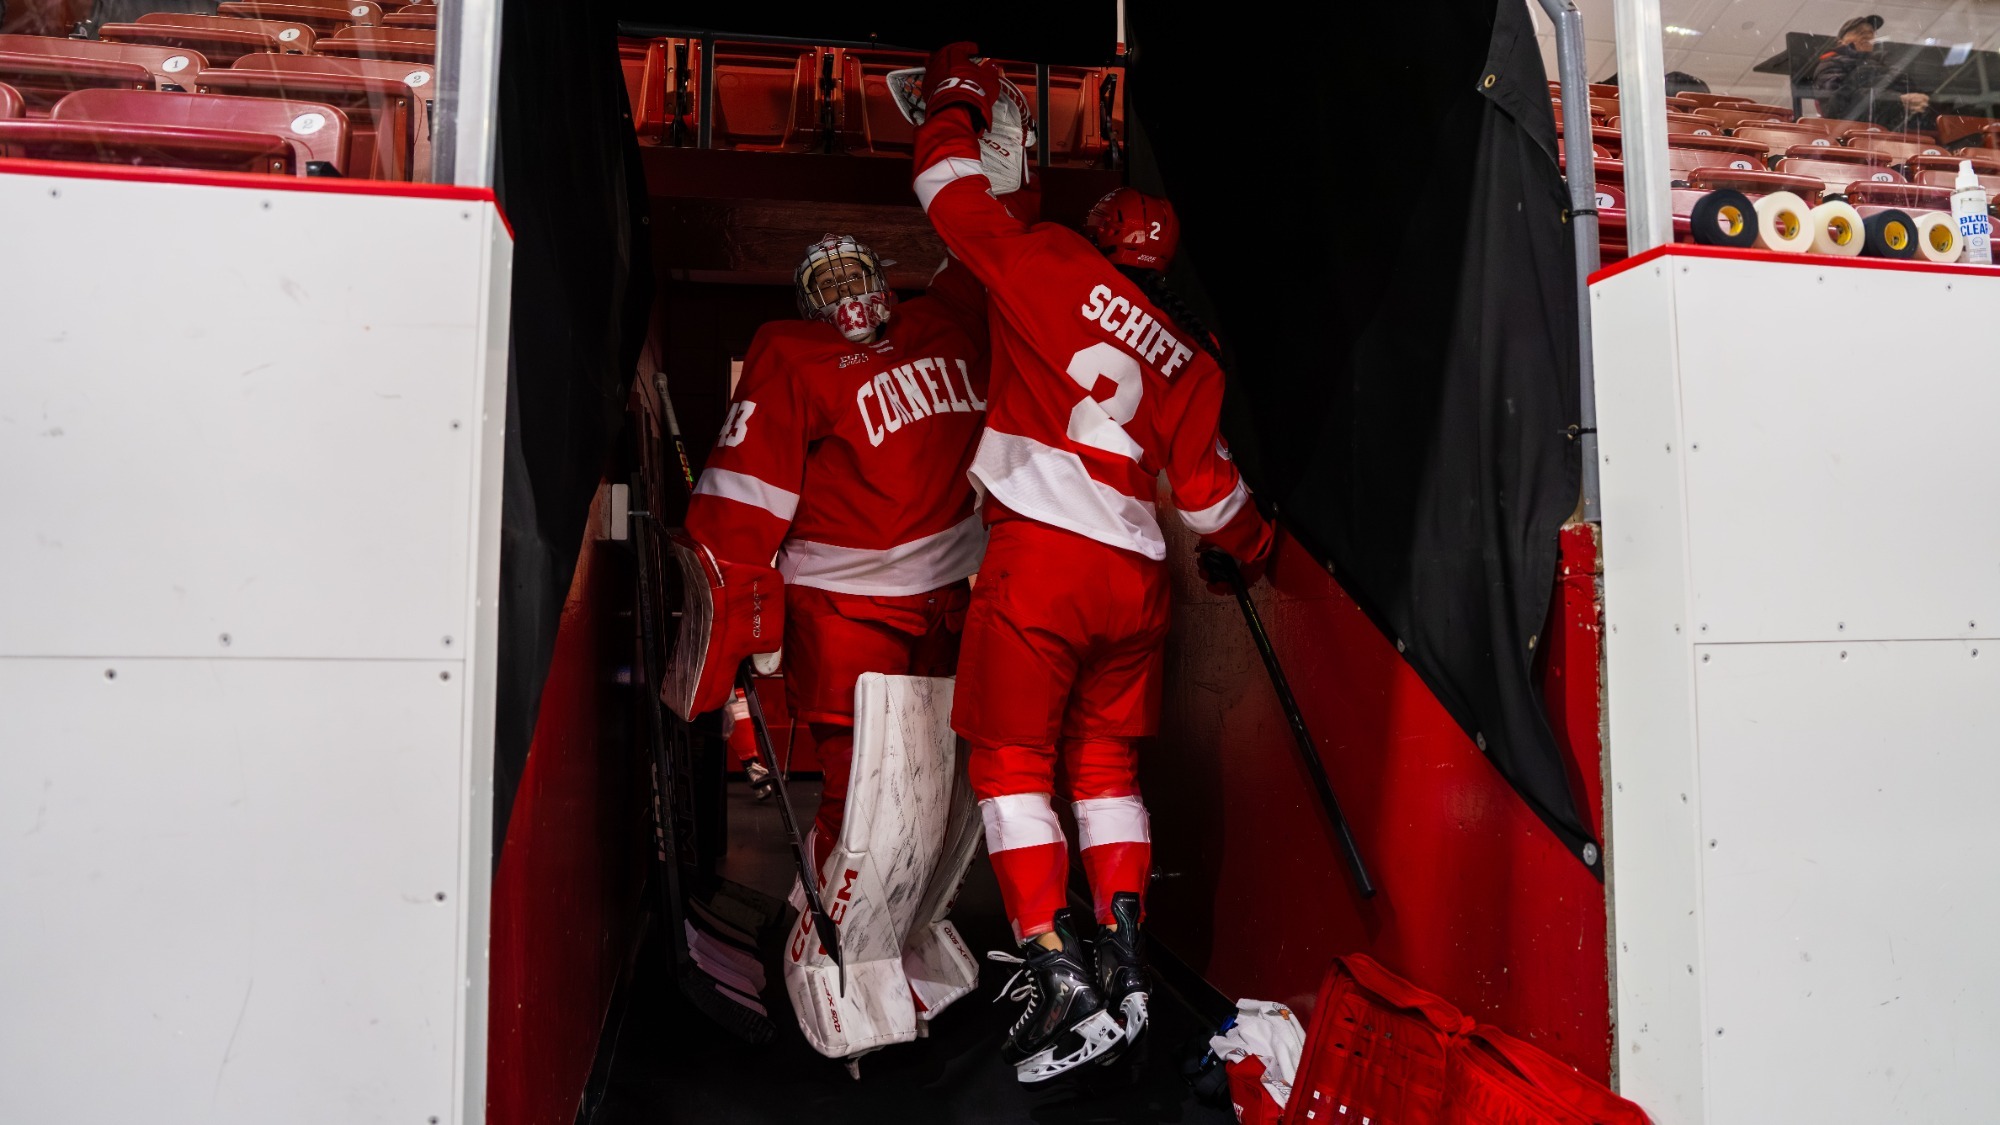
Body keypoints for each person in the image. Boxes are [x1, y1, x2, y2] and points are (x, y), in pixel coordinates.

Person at [911, 43, 1275, 1083]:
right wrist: (1244, 557)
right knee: (1106, 769)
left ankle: (1051, 962)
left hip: (1041, 564)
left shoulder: (1044, 261)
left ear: (1102, 233)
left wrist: (956, 101)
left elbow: (944, 188)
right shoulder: (1192, 353)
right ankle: (1121, 959)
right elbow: (1210, 498)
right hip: (1137, 580)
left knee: (1010, 762)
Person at [679, 233, 989, 873]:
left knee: (938, 788)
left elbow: (984, 252)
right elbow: (745, 490)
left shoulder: (939, 322)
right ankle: (831, 938)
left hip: (946, 597)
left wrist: (998, 175)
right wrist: (735, 608)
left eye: (855, 274)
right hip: (844, 605)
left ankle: (899, 928)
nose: (848, 291)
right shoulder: (792, 352)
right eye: (829, 284)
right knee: (861, 796)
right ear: (808, 304)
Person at [1812, 14, 1932, 131]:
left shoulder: (1883, 65)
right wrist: (1897, 100)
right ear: (1840, 43)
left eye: (1870, 33)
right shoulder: (1830, 64)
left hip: (1891, 133)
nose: (1866, 36)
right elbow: (1836, 108)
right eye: (1859, 32)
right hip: (1852, 135)